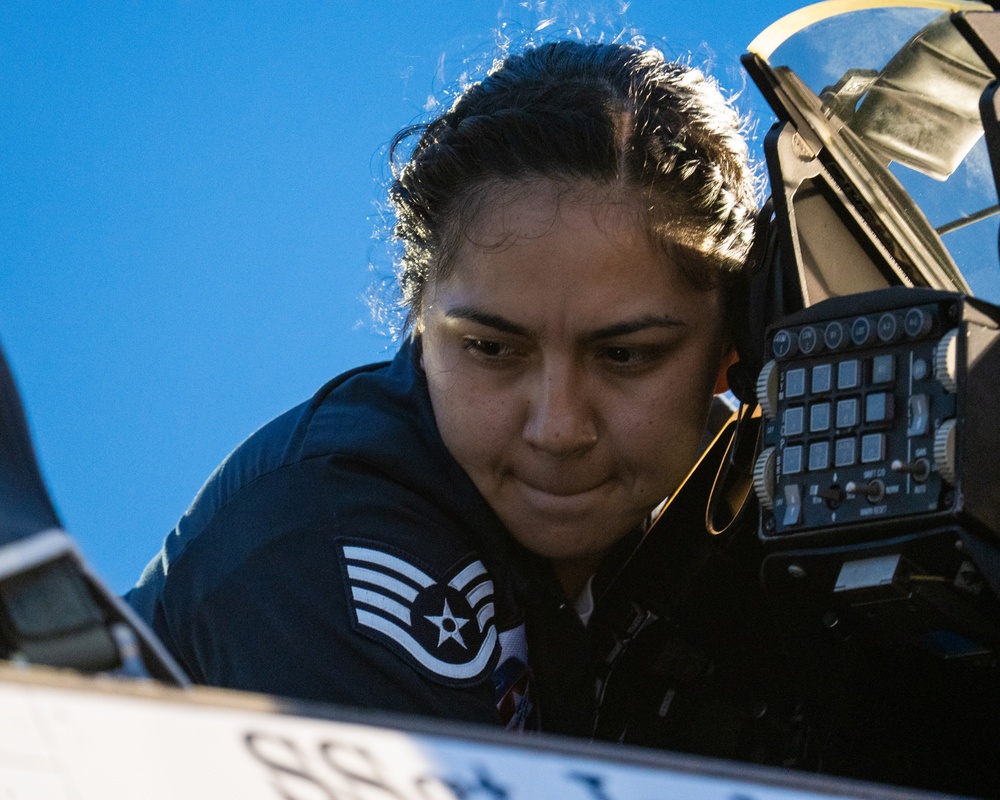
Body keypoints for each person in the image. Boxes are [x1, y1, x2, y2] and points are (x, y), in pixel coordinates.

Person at [125, 40, 758, 737]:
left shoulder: (759, 499)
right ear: (419, 323)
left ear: (734, 347)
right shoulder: (323, 550)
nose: (558, 427)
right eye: (491, 348)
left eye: (626, 355)